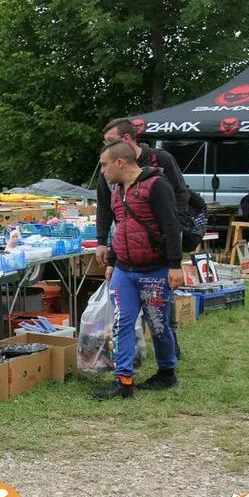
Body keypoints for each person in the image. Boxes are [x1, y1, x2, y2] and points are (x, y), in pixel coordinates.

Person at [92, 141, 184, 400]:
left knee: (157, 325)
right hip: (124, 269)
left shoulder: (157, 186)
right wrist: (111, 261)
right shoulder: (116, 190)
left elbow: (171, 225)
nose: (103, 171)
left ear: (120, 162)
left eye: (105, 165)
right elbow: (121, 228)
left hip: (154, 269)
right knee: (122, 323)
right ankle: (123, 381)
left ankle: (167, 373)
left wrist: (175, 265)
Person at [96, 118, 189, 268]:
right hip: (124, 249)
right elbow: (103, 205)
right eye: (106, 142)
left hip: (157, 249)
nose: (108, 146)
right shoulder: (109, 168)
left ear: (126, 138)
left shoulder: (160, 159)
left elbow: (180, 195)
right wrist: (101, 241)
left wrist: (177, 234)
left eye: (111, 141)